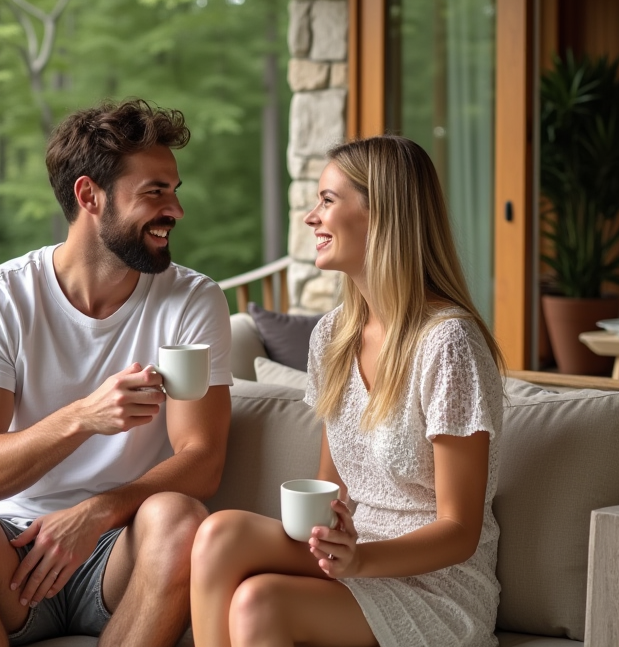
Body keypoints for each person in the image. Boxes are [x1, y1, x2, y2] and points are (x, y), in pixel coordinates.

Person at [0, 99, 233, 647]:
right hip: (13, 551)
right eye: (155, 192)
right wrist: (82, 418)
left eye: (174, 191)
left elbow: (202, 461)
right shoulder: (0, 298)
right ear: (89, 196)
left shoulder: (191, 300)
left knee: (180, 518)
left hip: (120, 549)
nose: (176, 210)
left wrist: (96, 514)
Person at [190, 135, 507, 647]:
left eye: (327, 200)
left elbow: (460, 530)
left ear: (381, 215)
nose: (311, 217)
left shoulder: (449, 343)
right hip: (356, 553)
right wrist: (333, 533)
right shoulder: (332, 335)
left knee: (258, 601)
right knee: (218, 534)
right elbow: (331, 486)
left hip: (435, 584)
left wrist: (361, 560)